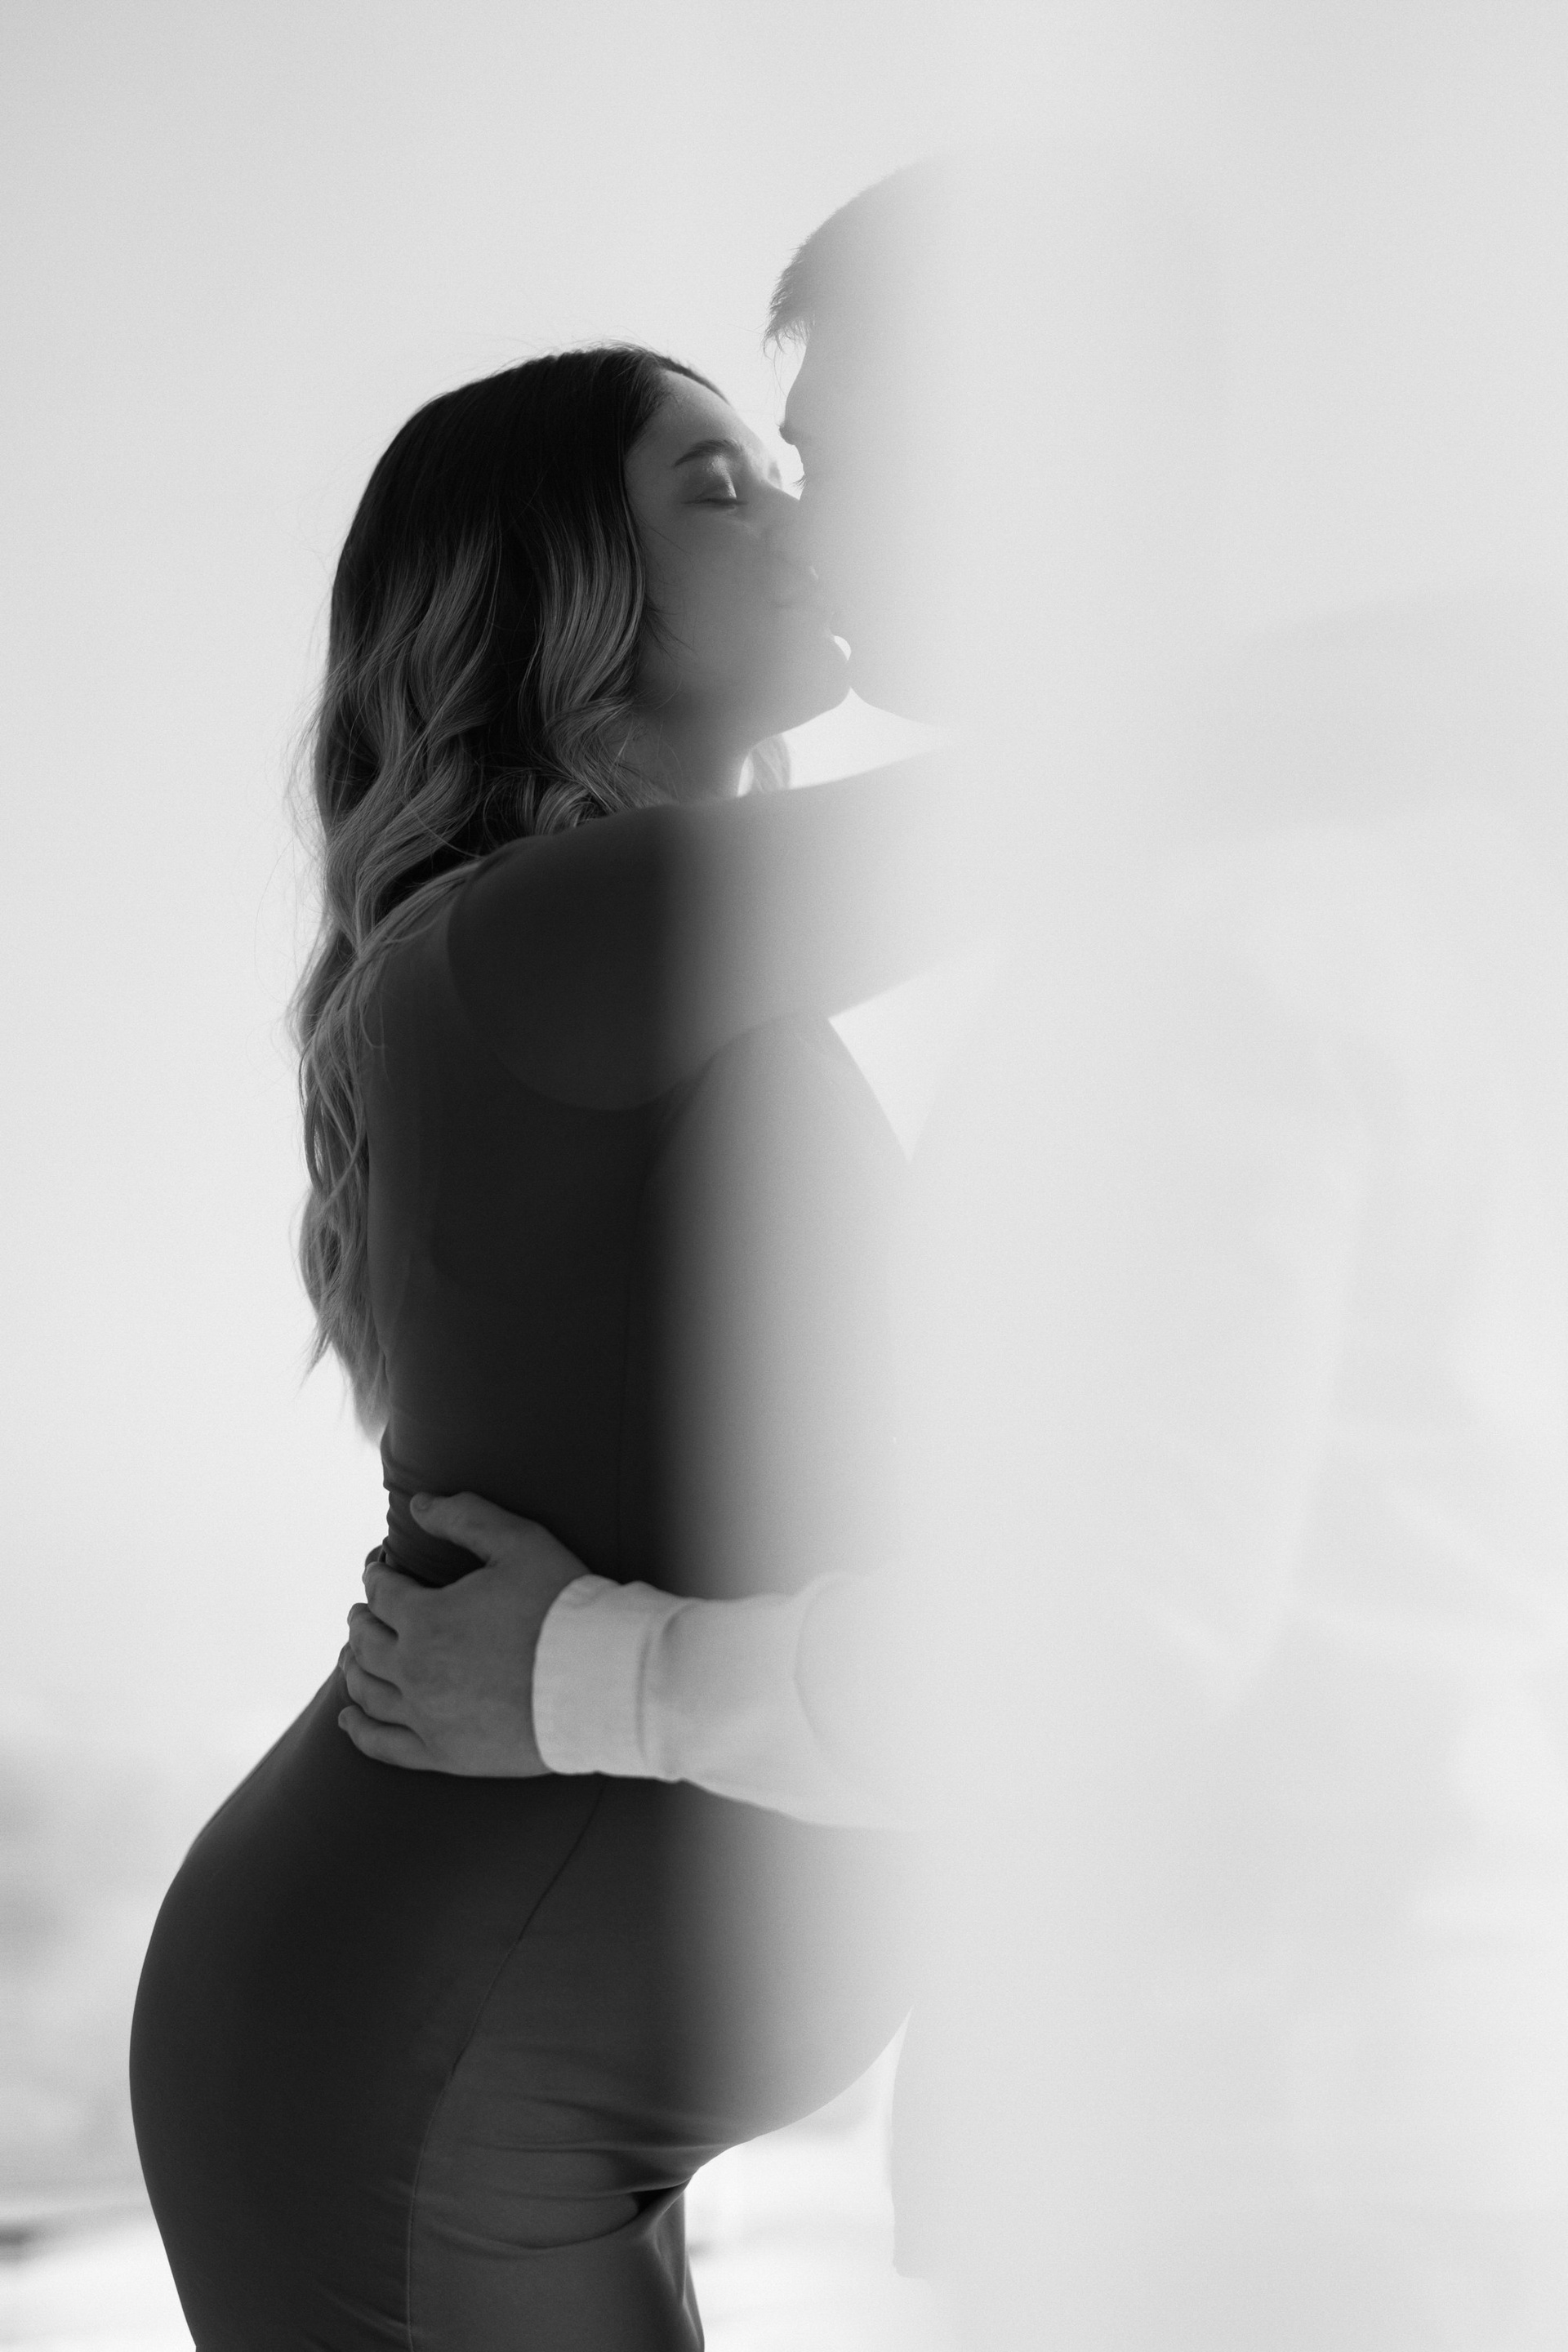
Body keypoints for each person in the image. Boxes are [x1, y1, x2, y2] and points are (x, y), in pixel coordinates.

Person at [130, 341, 979, 2351]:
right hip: (419, 2064)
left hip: (477, 2047)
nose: (794, 516)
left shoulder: (632, 968)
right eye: (717, 486)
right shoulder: (547, 935)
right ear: (558, 595)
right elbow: (1108, 796)